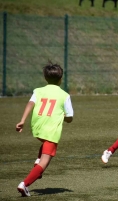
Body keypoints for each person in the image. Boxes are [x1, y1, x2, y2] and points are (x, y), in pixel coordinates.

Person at [15, 61, 74, 197]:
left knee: (44, 146)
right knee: (45, 161)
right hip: (51, 131)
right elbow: (70, 117)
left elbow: (30, 103)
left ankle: (37, 161)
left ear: (45, 78)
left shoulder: (38, 91)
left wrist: (22, 120)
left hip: (37, 128)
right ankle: (24, 184)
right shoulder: (64, 95)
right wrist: (63, 117)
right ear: (61, 79)